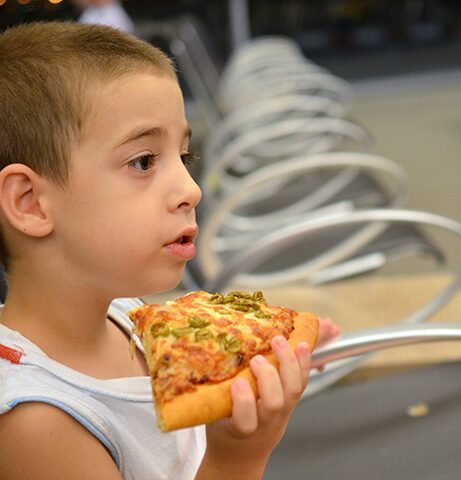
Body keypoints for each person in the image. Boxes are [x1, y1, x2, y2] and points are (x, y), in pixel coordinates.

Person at [0, 21, 338, 480]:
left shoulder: (124, 312)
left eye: (185, 157)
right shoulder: (35, 422)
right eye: (143, 162)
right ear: (30, 203)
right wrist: (237, 458)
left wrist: (256, 361)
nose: (191, 190)